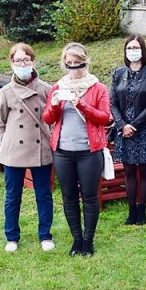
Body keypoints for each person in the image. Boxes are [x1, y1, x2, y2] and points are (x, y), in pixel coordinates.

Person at [43, 43, 111, 257]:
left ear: (86, 61)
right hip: (63, 151)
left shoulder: (97, 88)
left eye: (78, 64)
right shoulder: (58, 87)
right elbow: (47, 118)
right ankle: (77, 239)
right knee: (69, 196)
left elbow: (105, 118)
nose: (74, 69)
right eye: (69, 64)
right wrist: (54, 104)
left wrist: (81, 104)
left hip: (89, 151)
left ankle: (88, 240)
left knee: (90, 197)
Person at [0, 43, 55, 253]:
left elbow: (54, 118)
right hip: (14, 151)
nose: (23, 64)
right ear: (11, 63)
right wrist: (7, 143)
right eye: (18, 61)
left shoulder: (46, 89)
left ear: (33, 61)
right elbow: (0, 122)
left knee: (44, 194)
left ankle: (45, 235)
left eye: (26, 60)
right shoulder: (6, 91)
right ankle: (11, 236)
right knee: (13, 196)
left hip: (41, 149)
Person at [110, 35, 146, 226]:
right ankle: (132, 210)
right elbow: (113, 102)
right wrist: (123, 125)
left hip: (144, 128)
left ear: (142, 50)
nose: (132, 51)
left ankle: (142, 208)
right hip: (123, 129)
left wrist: (135, 125)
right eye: (129, 48)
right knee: (129, 170)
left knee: (145, 168)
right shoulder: (118, 74)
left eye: (136, 47)